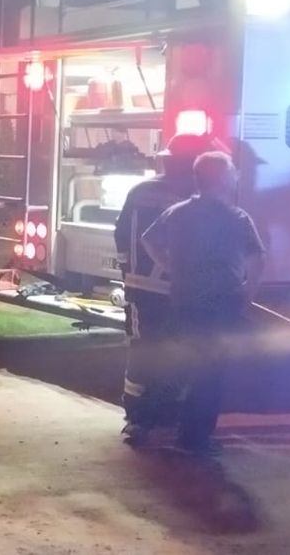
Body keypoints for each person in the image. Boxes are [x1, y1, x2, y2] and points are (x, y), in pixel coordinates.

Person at [141, 151, 266, 456]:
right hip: (223, 302)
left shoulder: (178, 213)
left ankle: (143, 423)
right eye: (233, 170)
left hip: (185, 298)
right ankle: (193, 438)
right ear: (222, 178)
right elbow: (258, 258)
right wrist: (248, 292)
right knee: (211, 372)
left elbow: (148, 239)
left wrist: (170, 267)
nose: (237, 175)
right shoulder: (237, 218)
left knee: (174, 363)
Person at [114, 133, 211, 445]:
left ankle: (137, 418)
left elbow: (120, 234)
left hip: (141, 287)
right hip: (176, 288)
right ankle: (164, 414)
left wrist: (127, 271)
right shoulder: (194, 197)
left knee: (143, 349)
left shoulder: (140, 190)